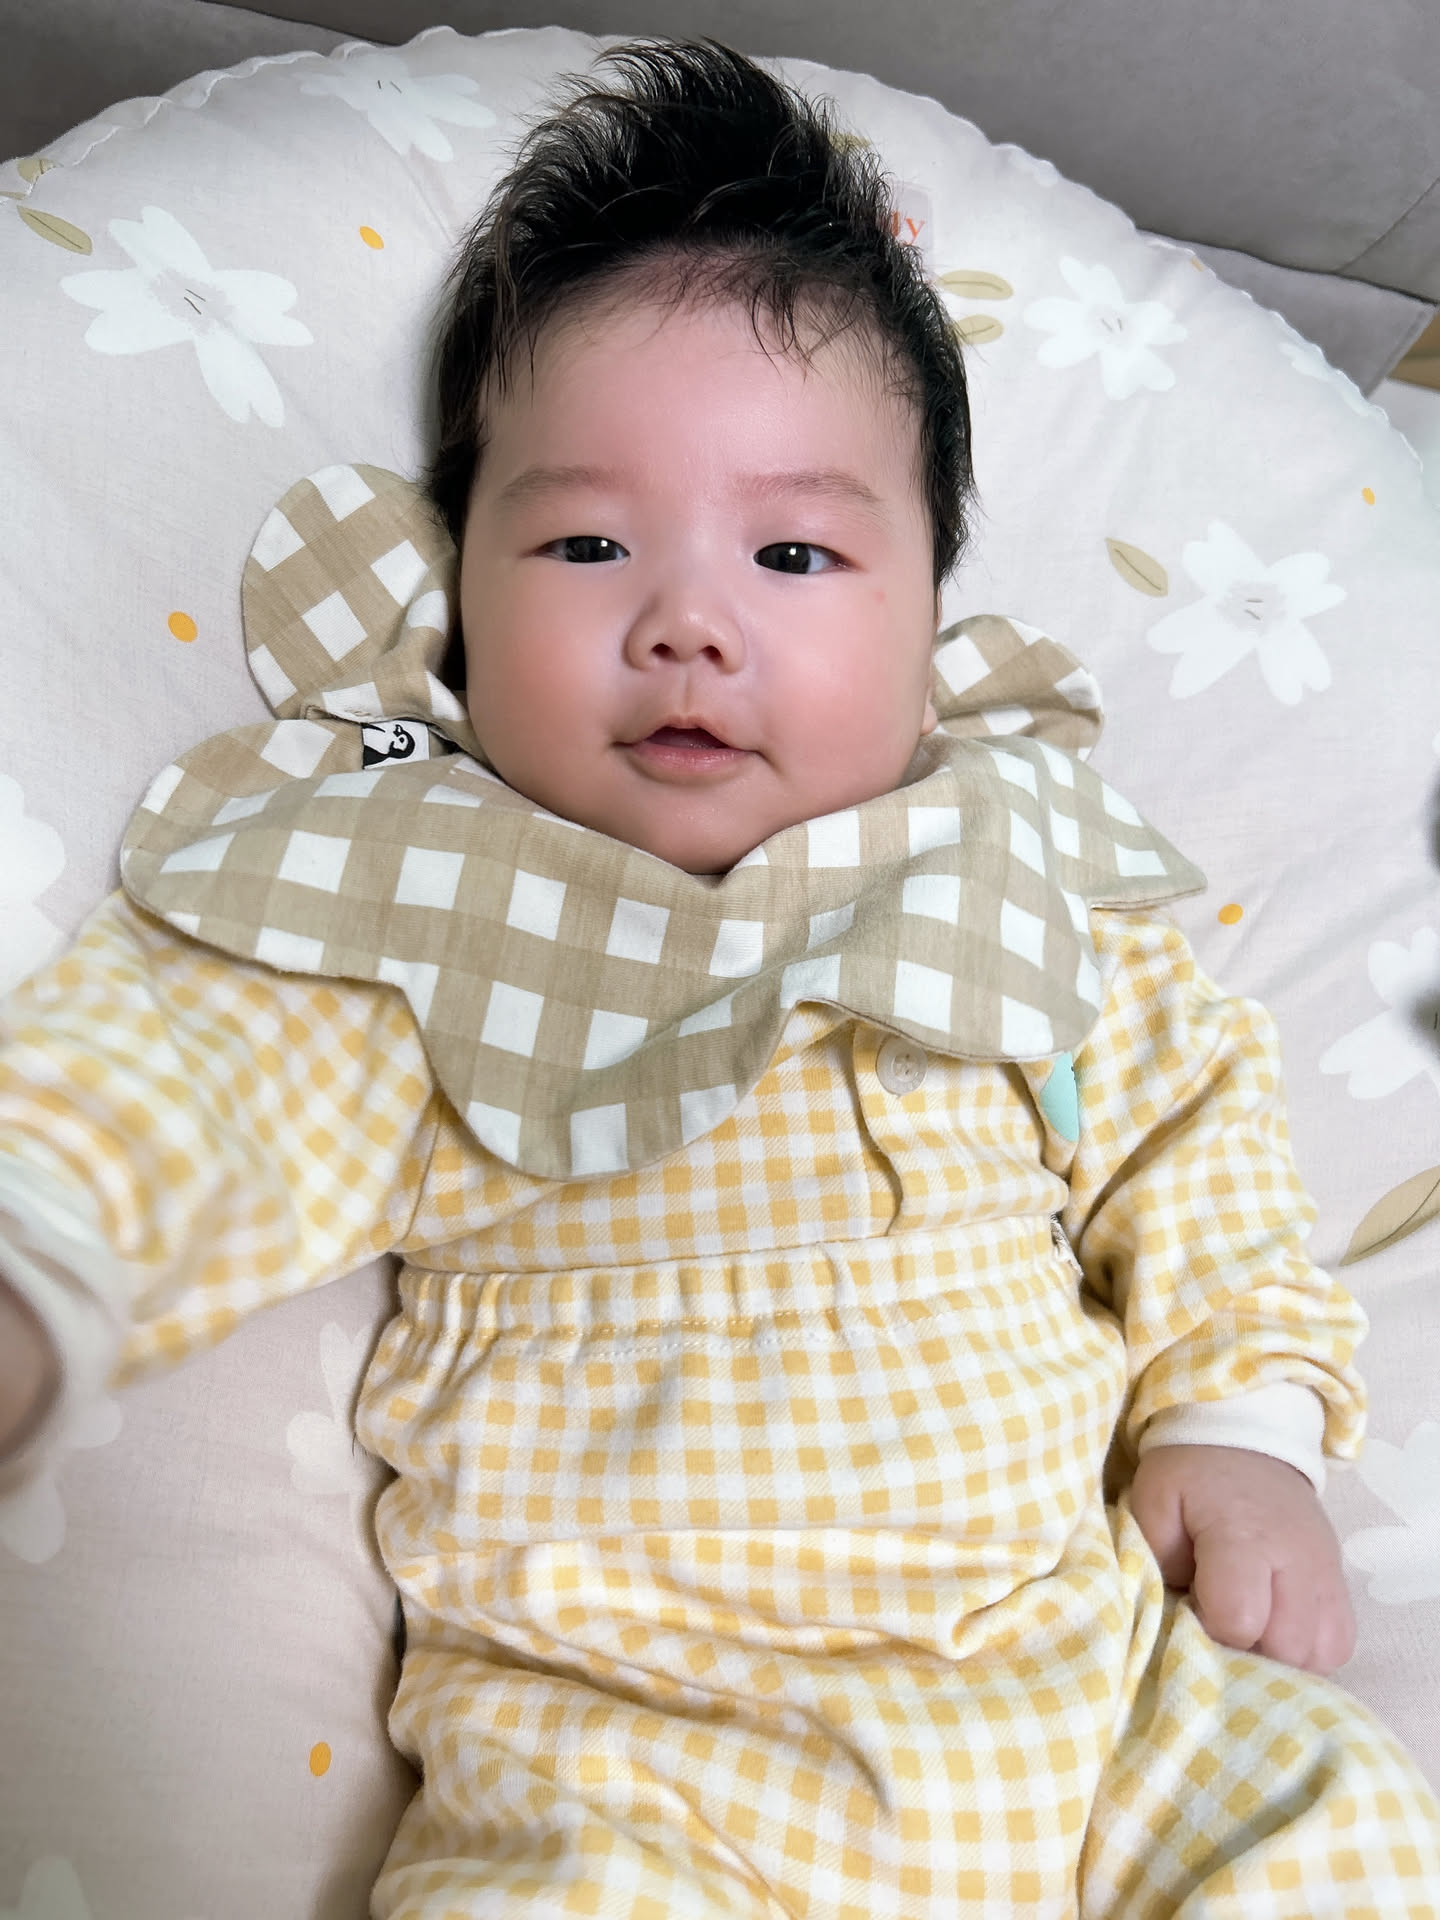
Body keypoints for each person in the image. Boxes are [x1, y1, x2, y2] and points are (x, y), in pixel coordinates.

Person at [2, 34, 1438, 1918]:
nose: (688, 618)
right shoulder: (436, 900)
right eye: (588, 541)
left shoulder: (1008, 875)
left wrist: (1239, 1434)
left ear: (930, 623)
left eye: (795, 552)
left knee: (1335, 1820)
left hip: (1081, 1694)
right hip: (640, 1761)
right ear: (460, 599)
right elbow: (203, 1088)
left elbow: (1199, 1144)